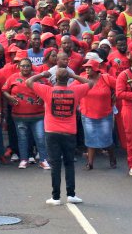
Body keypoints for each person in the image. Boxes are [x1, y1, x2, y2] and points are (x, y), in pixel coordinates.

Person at [25, 66, 96, 205]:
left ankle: (55, 197)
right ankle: (71, 194)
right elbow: (90, 83)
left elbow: (29, 82)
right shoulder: (75, 90)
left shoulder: (48, 91)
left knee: (55, 164)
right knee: (69, 163)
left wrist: (43, 74)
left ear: (55, 79)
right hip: (69, 132)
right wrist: (74, 76)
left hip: (52, 132)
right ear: (68, 79)